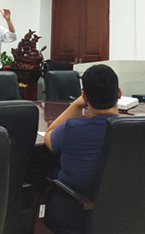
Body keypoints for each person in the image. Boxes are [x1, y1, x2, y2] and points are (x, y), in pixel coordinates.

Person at [43, 64, 122, 232]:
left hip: (78, 212)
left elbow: (49, 134)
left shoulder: (72, 128)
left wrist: (75, 105)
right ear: (119, 93)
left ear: (84, 96)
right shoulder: (137, 130)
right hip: (124, 210)